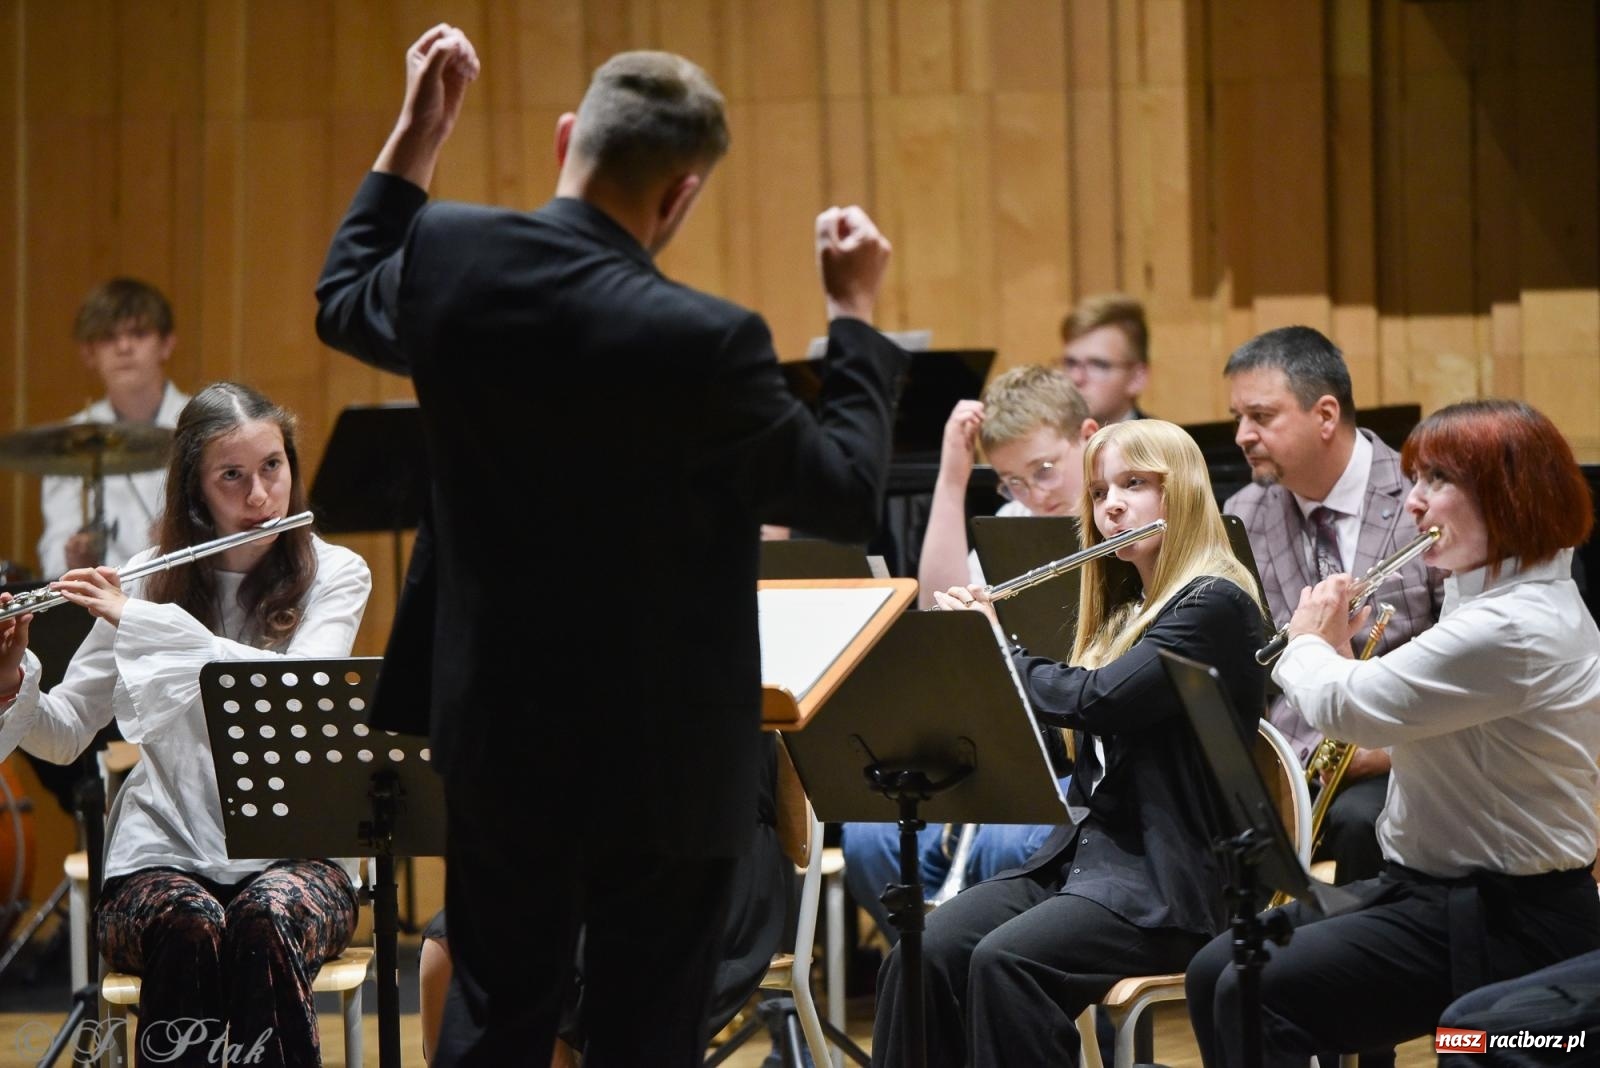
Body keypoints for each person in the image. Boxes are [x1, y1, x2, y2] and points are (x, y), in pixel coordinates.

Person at [314, 26, 905, 1068]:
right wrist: (853, 317)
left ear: (562, 142)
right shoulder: (705, 340)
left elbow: (343, 293)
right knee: (642, 1033)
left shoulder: (451, 260)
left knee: (497, 1015)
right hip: (662, 759)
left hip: (500, 732)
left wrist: (419, 132)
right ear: (679, 195)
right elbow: (848, 494)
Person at [1186, 398, 1600, 1068]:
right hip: (1432, 892)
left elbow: (1352, 709)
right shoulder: (1487, 591)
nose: (1414, 503)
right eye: (1415, 479)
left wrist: (1305, 640)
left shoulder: (1516, 625)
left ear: (1508, 494)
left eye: (1438, 481)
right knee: (1215, 970)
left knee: (1254, 990)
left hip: (1509, 919)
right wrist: (1337, 652)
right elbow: (1384, 701)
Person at [870, 418, 1268, 1068]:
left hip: (1172, 882)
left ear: (1185, 492)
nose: (1111, 504)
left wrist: (997, 645)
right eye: (1102, 489)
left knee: (1008, 964)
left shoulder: (1213, 605)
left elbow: (1098, 700)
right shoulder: (1126, 612)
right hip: (1088, 862)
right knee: (925, 949)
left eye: (1134, 484)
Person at [0, 381, 373, 1067]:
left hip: (297, 852)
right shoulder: (145, 578)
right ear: (195, 489)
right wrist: (11, 681)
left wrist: (141, 621)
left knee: (264, 921)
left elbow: (289, 693)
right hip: (163, 850)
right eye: (232, 476)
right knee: (188, 923)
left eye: (272, 467)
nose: (261, 496)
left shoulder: (335, 573)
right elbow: (65, 731)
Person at [845, 365, 1096, 942]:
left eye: (1045, 470)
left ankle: (1019, 1001)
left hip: (1083, 759)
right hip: (1002, 747)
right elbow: (941, 609)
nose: (1035, 494)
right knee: (871, 836)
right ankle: (937, 991)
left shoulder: (1121, 521)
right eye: (1014, 481)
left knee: (1012, 839)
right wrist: (954, 477)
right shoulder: (1011, 522)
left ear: (1087, 436)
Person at [1224, 325, 1444, 886]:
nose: (1242, 436)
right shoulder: (1244, 511)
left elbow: (1466, 657)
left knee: (1358, 822)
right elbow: (1251, 664)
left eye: (1261, 417)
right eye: (1237, 419)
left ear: (1325, 415)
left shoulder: (1426, 499)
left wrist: (1389, 748)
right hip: (1292, 766)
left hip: (1405, 759)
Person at [38, 277, 190, 578]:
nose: (124, 347)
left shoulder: (202, 423)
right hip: (104, 605)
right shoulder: (71, 438)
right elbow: (54, 553)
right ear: (88, 353)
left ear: (167, 344)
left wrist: (184, 536)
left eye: (138, 333)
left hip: (191, 594)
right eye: (109, 337)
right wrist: (72, 558)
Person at [1060, 292, 1151, 425]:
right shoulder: (1048, 443)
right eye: (1070, 363)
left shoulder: (1160, 445)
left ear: (1137, 378)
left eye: (1098, 365)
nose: (1076, 378)